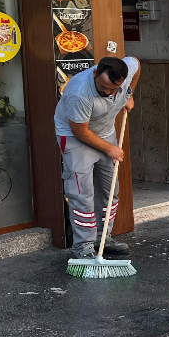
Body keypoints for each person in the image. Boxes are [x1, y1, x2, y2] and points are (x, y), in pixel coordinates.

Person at [53, 56, 141, 258]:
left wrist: (128, 94)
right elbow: (80, 132)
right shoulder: (79, 92)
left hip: (104, 131)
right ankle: (83, 246)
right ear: (95, 73)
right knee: (81, 192)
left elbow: (137, 63)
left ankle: (103, 238)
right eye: (103, 87)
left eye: (113, 89)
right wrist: (110, 149)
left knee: (109, 188)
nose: (107, 92)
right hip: (74, 136)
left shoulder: (126, 70)